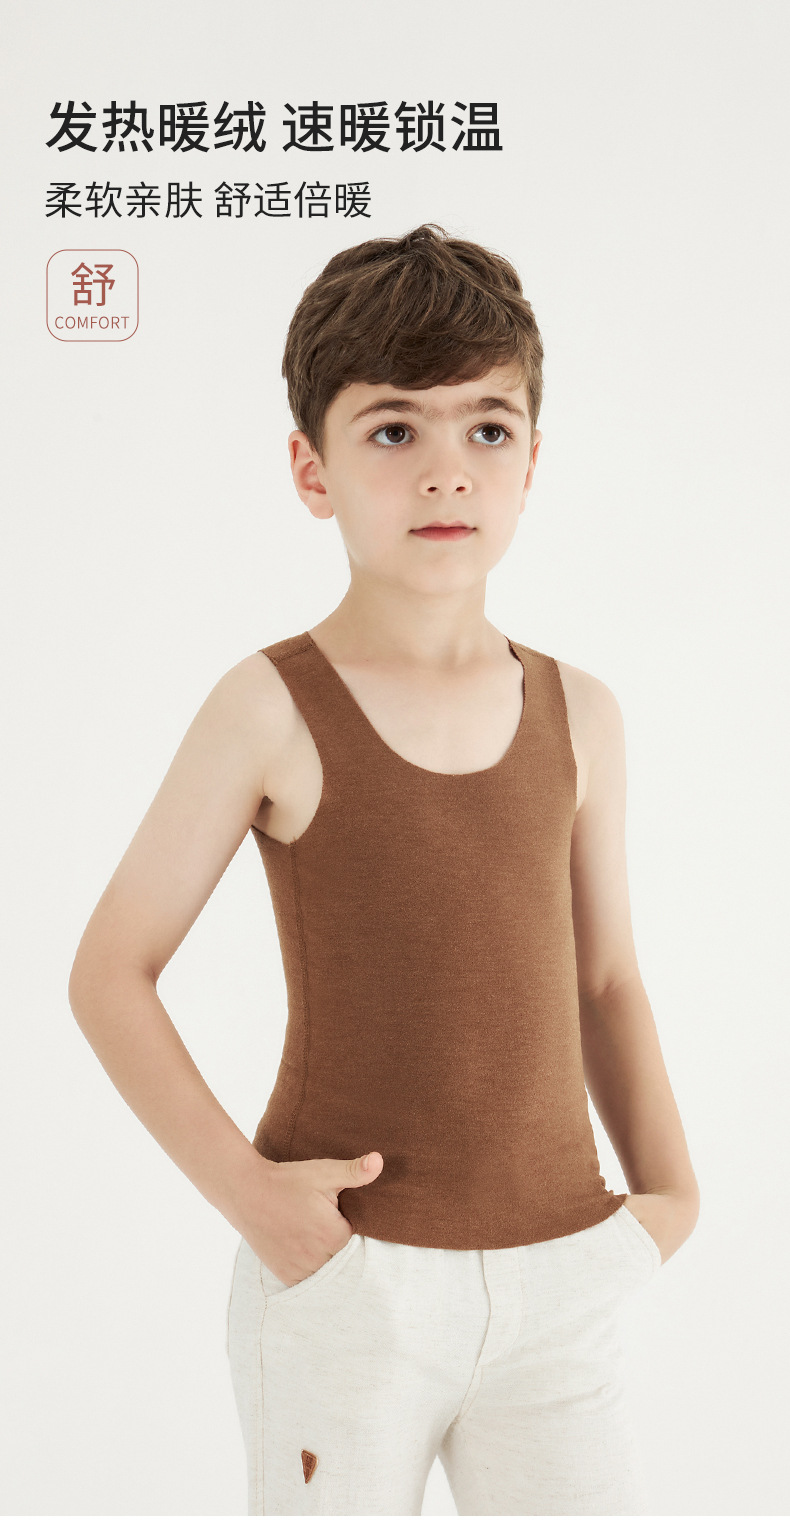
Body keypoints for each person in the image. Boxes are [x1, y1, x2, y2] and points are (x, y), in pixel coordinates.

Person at [68, 222, 700, 1517]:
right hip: (347, 1283)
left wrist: (669, 1202)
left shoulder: (581, 712)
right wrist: (257, 1205)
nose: (445, 471)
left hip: (563, 1276)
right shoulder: (266, 706)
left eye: (487, 428)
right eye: (394, 429)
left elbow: (606, 979)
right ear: (313, 469)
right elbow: (110, 972)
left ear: (533, 460)